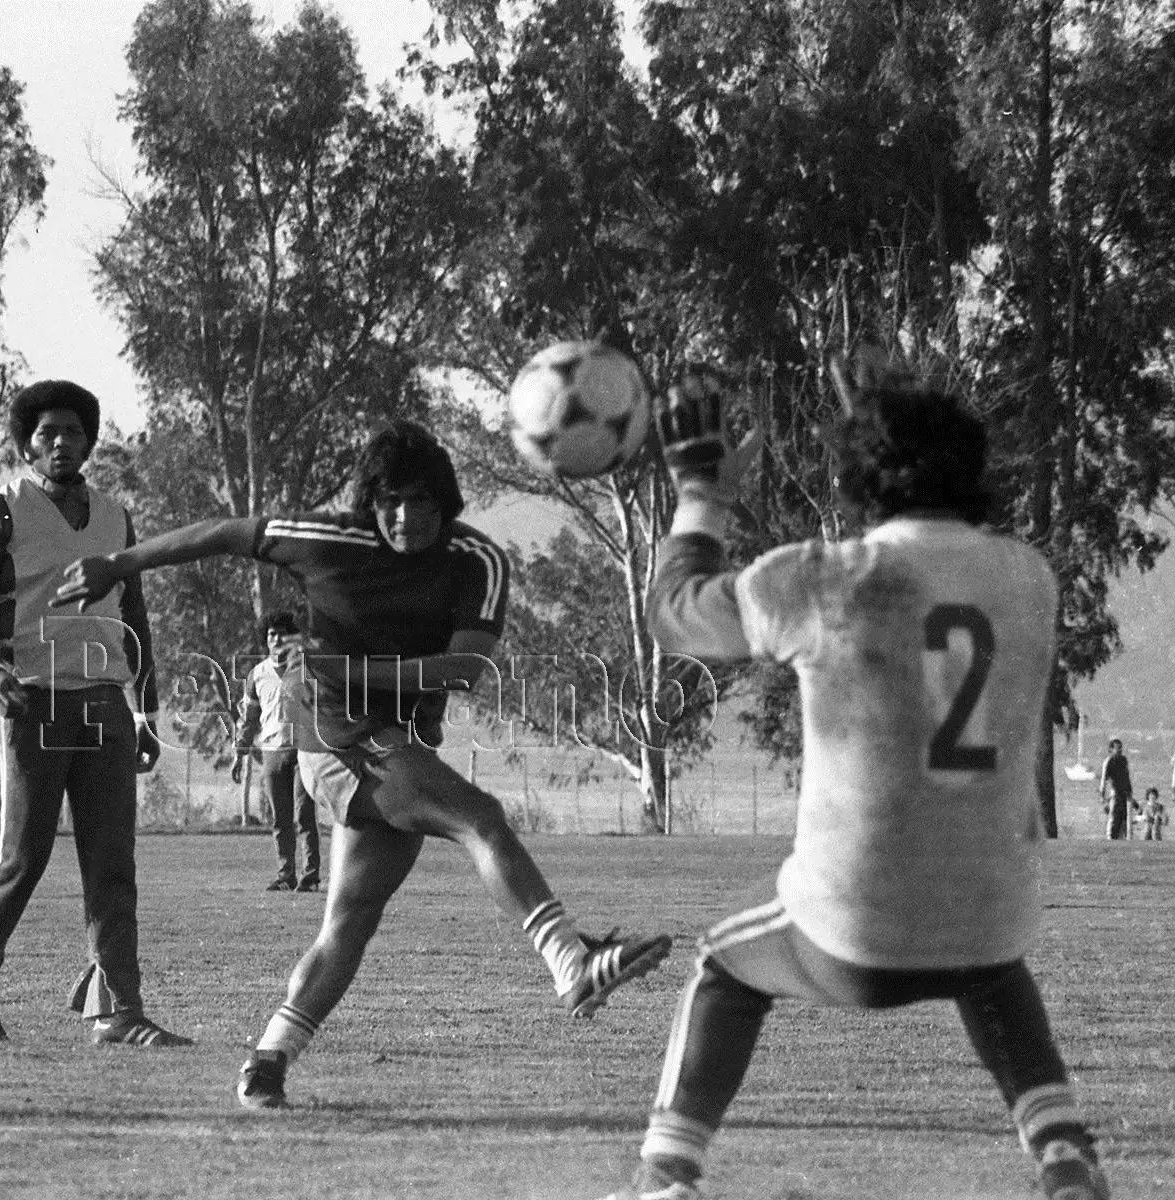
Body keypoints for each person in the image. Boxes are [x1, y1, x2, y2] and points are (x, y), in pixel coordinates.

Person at [596, 358, 1108, 1200]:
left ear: (854, 479)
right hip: (995, 907)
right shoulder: (1030, 579)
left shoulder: (824, 578)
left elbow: (674, 616)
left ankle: (666, 1176)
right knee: (992, 968)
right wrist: (882, 422)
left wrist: (702, 493)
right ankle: (1064, 1158)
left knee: (724, 965)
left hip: (856, 925)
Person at [56, 420, 672, 1109]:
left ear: (446, 503)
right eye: (389, 503)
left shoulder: (477, 560)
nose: (405, 518)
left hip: (396, 738)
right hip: (339, 737)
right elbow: (225, 533)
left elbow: (465, 666)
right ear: (367, 503)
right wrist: (117, 565)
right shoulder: (330, 540)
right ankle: (571, 963)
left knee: (349, 922)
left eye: (421, 503)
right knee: (482, 819)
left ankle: (267, 1062)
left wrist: (349, 666)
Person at [0, 380, 190, 1049]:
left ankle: (119, 1012)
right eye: (48, 432)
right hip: (32, 703)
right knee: (21, 859)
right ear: (27, 442)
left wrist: (146, 711)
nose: (61, 443)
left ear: (89, 441)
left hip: (107, 704)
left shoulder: (116, 516)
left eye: (74, 432)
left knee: (113, 865)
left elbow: (133, 615)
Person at [234, 609, 322, 892]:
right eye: (271, 634)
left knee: (305, 816)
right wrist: (240, 751)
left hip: (305, 751)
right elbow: (248, 718)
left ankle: (310, 876)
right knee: (279, 819)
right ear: (265, 639)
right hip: (272, 751)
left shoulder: (308, 669)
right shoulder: (257, 674)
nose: (276, 638)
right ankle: (286, 876)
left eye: (282, 633)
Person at [1100, 738, 1136, 840]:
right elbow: (1104, 780)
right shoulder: (1109, 761)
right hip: (1115, 794)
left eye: (1121, 748)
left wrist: (1130, 795)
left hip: (1126, 794)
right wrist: (1102, 797)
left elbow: (1126, 777)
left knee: (1125, 821)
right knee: (1114, 820)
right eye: (1117, 748)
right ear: (1111, 749)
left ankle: (1123, 840)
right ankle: (1111, 839)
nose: (1120, 750)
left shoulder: (1124, 760)